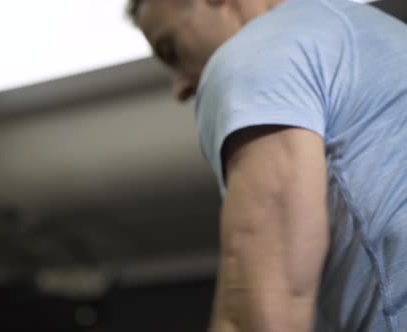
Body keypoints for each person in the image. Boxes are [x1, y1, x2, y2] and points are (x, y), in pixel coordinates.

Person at [127, 0, 407, 331]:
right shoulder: (383, 34)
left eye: (170, 50)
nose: (179, 89)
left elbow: (263, 313)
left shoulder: (254, 52)